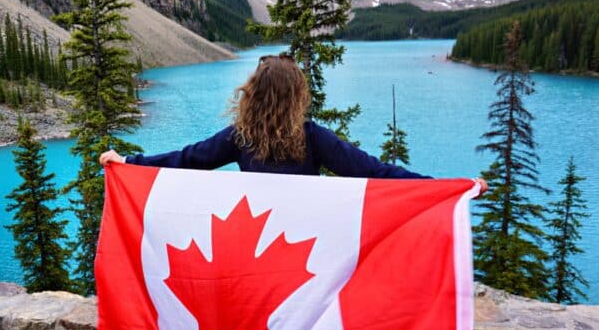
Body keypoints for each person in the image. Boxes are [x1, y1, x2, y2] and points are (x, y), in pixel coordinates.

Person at [100, 54, 487, 192]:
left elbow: (186, 160)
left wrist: (129, 163)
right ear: (296, 96)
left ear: (254, 94)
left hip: (254, 248)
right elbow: (374, 171)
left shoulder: (240, 137)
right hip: (306, 248)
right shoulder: (311, 137)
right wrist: (447, 188)